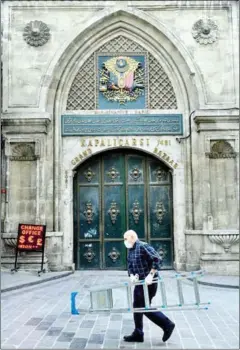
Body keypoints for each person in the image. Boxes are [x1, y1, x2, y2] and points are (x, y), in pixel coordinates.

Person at [123, 230, 175, 343]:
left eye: (125, 239)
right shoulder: (131, 250)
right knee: (137, 306)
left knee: (143, 307)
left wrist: (151, 275)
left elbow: (157, 259)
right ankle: (138, 333)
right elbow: (130, 265)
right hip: (139, 282)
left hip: (149, 282)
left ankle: (167, 324)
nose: (124, 241)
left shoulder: (143, 246)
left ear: (132, 237)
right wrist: (132, 275)